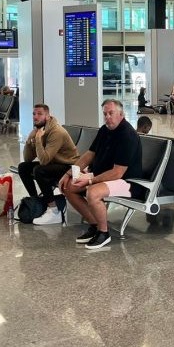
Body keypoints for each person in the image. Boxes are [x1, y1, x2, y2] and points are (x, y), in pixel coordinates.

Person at [59, 99, 142, 249]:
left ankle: (104, 233)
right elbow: (89, 154)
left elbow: (118, 172)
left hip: (128, 182)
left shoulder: (127, 135)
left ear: (121, 114)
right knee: (69, 187)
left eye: (111, 113)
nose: (107, 117)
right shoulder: (105, 130)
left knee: (93, 192)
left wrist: (91, 181)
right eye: (105, 114)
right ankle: (95, 226)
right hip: (106, 175)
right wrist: (68, 173)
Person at [18, 104, 78, 225]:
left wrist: (38, 140)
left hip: (69, 166)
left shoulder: (56, 132)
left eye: (40, 114)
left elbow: (44, 161)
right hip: (54, 163)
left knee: (40, 170)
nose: (35, 117)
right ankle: (36, 202)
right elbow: (27, 159)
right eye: (34, 114)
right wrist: (30, 140)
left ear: (47, 116)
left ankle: (53, 210)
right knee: (23, 167)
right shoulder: (39, 130)